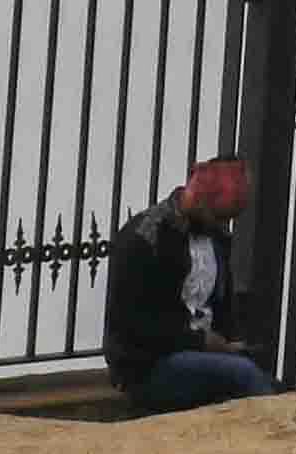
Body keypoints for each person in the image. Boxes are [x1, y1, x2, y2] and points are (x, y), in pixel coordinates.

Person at [100, 159, 270, 413]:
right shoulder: (146, 237)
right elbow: (130, 328)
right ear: (199, 196)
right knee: (245, 376)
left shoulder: (217, 238)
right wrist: (199, 342)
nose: (222, 224)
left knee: (271, 383)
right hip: (148, 366)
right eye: (219, 215)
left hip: (203, 356)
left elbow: (222, 311)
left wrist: (231, 342)